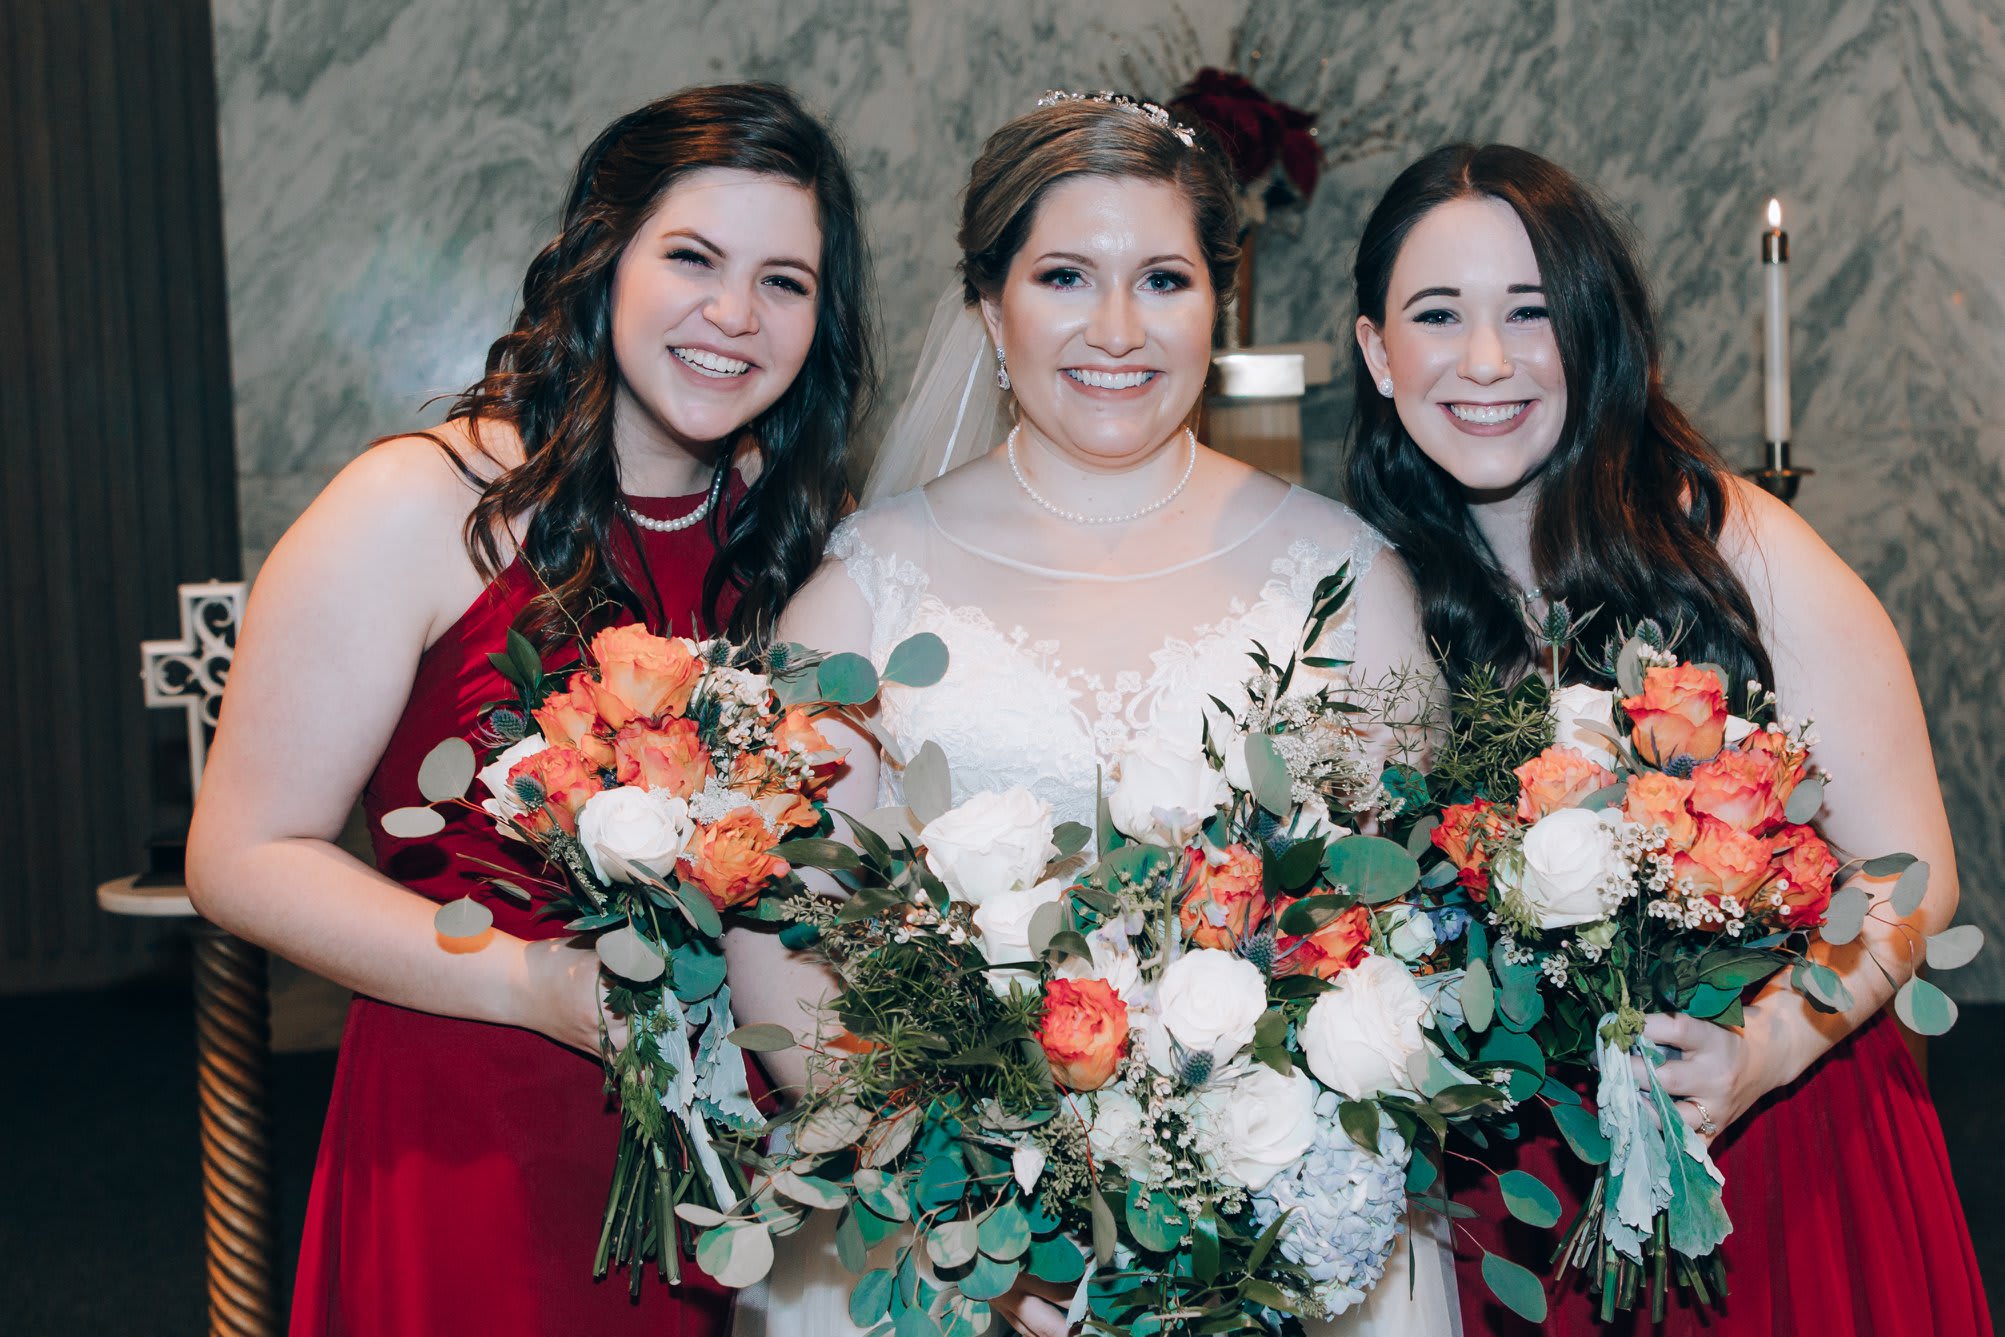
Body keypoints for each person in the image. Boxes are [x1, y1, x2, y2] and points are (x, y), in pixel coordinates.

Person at [725, 94, 1456, 1337]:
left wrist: (1239, 1194)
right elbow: (783, 941)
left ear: (1218, 303)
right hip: (946, 1254)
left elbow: (1406, 934)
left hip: (1268, 1249)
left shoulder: (1343, 579)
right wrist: (971, 1210)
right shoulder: (862, 590)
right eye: (1064, 275)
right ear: (987, 302)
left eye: (1163, 279)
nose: (1117, 329)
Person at [185, 83, 874, 1336]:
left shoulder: (790, 540)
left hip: (721, 1157)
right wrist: (532, 986)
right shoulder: (420, 501)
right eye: (693, 257)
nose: (735, 313)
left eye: (784, 280)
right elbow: (241, 856)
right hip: (469, 1121)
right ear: (602, 260)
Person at [1345, 142, 1990, 1335]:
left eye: (1530, 311)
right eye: (1436, 314)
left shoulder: (1728, 545)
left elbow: (1915, 873)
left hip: (1779, 1139)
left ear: (1593, 331)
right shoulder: (1383, 596)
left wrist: (1765, 1048)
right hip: (1519, 1190)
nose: (1484, 359)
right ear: (1379, 353)